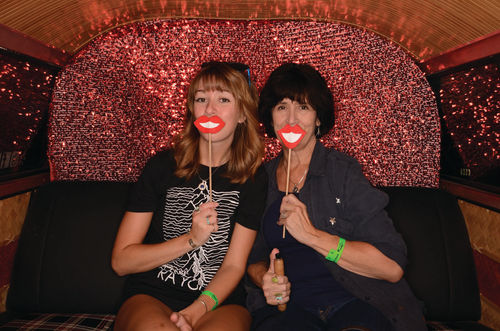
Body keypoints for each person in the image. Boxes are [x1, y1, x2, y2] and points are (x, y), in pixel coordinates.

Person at [246, 63, 426, 331]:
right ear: (271, 116)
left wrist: (312, 236)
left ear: (318, 119)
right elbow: (253, 260)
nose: (291, 119)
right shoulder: (260, 179)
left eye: (303, 107)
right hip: (289, 313)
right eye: (282, 107)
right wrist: (265, 279)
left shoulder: (342, 172)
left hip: (355, 304)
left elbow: (391, 267)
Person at [112, 62, 267, 331]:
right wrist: (192, 239)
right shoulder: (161, 167)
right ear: (192, 109)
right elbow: (121, 262)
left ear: (243, 113)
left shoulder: (253, 178)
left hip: (219, 302)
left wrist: (196, 311)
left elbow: (233, 266)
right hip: (152, 295)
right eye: (201, 99)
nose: (210, 108)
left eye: (223, 99)